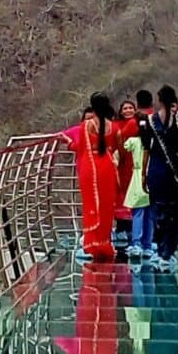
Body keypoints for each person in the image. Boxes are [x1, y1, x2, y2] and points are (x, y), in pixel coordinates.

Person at [61, 92, 124, 261]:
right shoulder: (114, 127)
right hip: (108, 167)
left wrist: (69, 143)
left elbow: (79, 146)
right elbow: (118, 148)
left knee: (92, 204)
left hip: (91, 168)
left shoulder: (86, 126)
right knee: (106, 206)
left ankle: (93, 243)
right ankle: (105, 241)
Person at [140, 86, 178, 267]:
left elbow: (146, 148)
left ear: (159, 100)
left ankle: (159, 248)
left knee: (158, 210)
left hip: (156, 170)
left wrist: (143, 173)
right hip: (177, 172)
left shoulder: (150, 120)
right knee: (176, 212)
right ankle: (168, 251)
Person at [121, 90, 155, 259]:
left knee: (138, 211)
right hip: (153, 177)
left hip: (137, 177)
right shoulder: (154, 141)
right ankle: (148, 244)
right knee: (150, 214)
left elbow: (122, 141)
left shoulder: (133, 141)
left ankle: (136, 243)